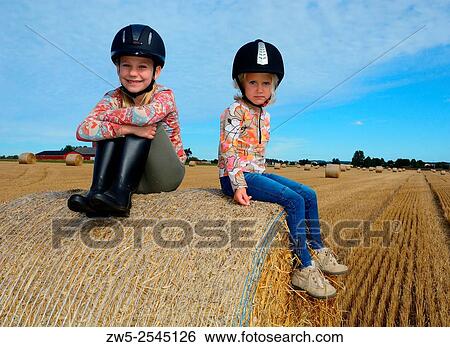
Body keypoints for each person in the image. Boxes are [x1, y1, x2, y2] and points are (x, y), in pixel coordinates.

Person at [218, 39, 348, 299]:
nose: (259, 88)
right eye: (252, 82)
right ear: (240, 83)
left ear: (274, 85)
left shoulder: (265, 116)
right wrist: (238, 184)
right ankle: (304, 266)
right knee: (293, 199)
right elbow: (228, 148)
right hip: (236, 176)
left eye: (266, 82)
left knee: (308, 194)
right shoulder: (235, 111)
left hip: (259, 173)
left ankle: (318, 250)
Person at [68, 24, 186, 218]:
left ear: (157, 71)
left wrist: (107, 119)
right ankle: (97, 192)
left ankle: (121, 198)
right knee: (114, 130)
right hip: (130, 177)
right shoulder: (111, 97)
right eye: (126, 65)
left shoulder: (165, 95)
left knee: (143, 124)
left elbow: (145, 116)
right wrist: (123, 129)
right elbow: (83, 130)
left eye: (142, 67)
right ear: (117, 68)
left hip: (165, 175)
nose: (133, 73)